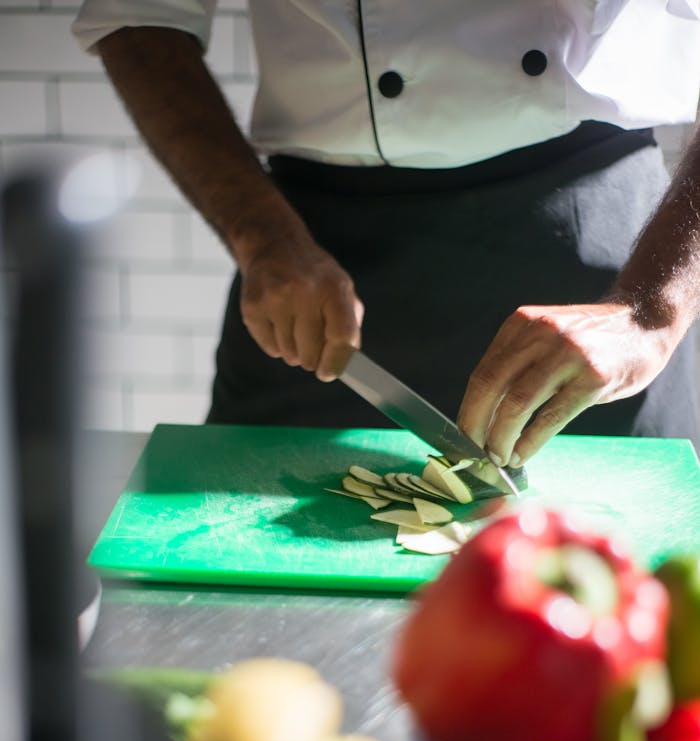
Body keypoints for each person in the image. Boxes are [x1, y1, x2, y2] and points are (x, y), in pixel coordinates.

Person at [72, 2, 700, 468]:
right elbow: (140, 17)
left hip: (602, 268)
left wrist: (651, 308)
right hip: (313, 264)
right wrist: (261, 237)